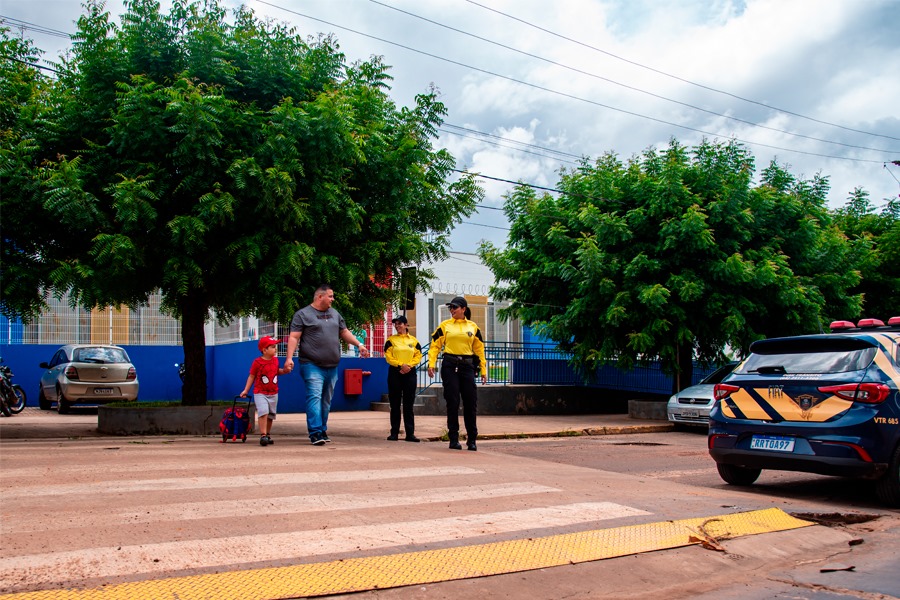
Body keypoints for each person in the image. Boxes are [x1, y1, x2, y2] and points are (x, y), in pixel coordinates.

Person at [284, 284, 370, 445]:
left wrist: (359, 345)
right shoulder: (302, 314)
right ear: (320, 297)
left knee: (326, 400)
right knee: (314, 397)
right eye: (330, 296)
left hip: (332, 366)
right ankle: (315, 432)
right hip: (311, 364)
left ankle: (322, 430)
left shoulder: (335, 313)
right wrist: (289, 358)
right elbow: (294, 337)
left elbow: (344, 332)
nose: (333, 299)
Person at [427, 296, 487, 451]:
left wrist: (483, 369)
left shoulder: (473, 327)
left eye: (454, 307)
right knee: (452, 401)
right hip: (450, 365)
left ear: (463, 309)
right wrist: (431, 363)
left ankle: (472, 439)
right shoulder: (445, 326)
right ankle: (453, 438)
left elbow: (479, 349)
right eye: (450, 308)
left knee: (470, 402)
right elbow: (435, 346)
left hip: (467, 366)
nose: (451, 310)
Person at [239, 335, 291, 447]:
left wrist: (285, 371)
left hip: (273, 393)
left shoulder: (275, 360)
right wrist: (246, 390)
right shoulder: (257, 362)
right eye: (272, 347)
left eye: (275, 346)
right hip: (260, 392)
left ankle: (267, 434)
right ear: (264, 350)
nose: (275, 349)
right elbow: (251, 376)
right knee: (263, 412)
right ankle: (263, 435)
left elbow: (277, 371)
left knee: (271, 415)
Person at [383, 315, 422, 442]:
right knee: (395, 404)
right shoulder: (391, 340)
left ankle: (410, 434)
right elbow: (388, 356)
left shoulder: (414, 341)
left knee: (408, 404)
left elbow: (418, 356)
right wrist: (401, 365)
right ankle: (394, 432)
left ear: (406, 325)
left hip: (409, 373)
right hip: (395, 372)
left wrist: (409, 366)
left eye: (400, 323)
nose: (397, 326)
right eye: (396, 324)